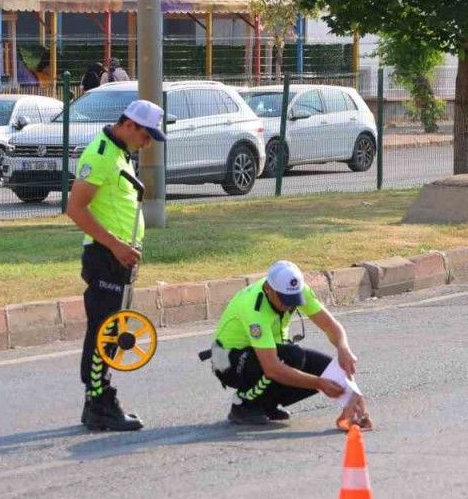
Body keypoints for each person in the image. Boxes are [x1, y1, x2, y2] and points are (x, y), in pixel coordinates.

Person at [65, 99, 168, 432]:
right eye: (146, 135)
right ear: (129, 125)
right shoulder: (101, 155)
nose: (147, 143)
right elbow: (75, 208)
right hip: (105, 257)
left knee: (111, 329)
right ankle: (100, 404)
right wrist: (116, 245)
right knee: (104, 330)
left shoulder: (119, 152)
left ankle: (94, 402)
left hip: (119, 257)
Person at [205, 260, 368, 427]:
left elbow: (329, 325)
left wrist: (343, 349)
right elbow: (272, 368)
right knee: (293, 358)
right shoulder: (254, 307)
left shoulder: (297, 289)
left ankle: (267, 404)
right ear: (268, 289)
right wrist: (319, 383)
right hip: (228, 362)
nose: (289, 305)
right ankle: (244, 404)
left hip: (264, 353)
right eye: (284, 299)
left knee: (327, 369)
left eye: (294, 299)